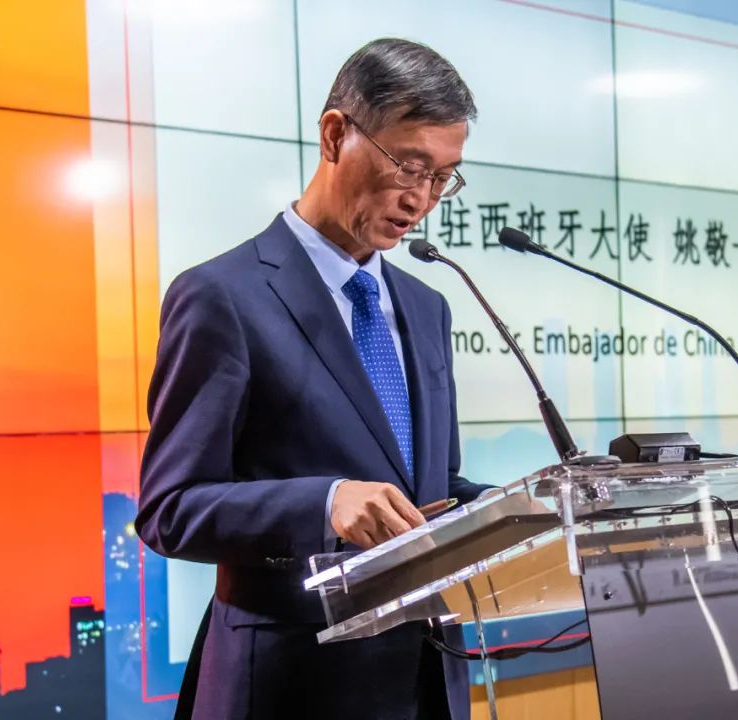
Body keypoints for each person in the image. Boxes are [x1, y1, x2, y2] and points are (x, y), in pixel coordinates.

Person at [137, 37, 492, 720]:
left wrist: (517, 508)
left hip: (426, 682)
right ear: (335, 135)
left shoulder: (427, 307)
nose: (422, 198)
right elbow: (170, 510)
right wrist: (323, 503)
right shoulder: (223, 297)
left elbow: (431, 489)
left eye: (443, 177)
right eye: (409, 166)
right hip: (291, 685)